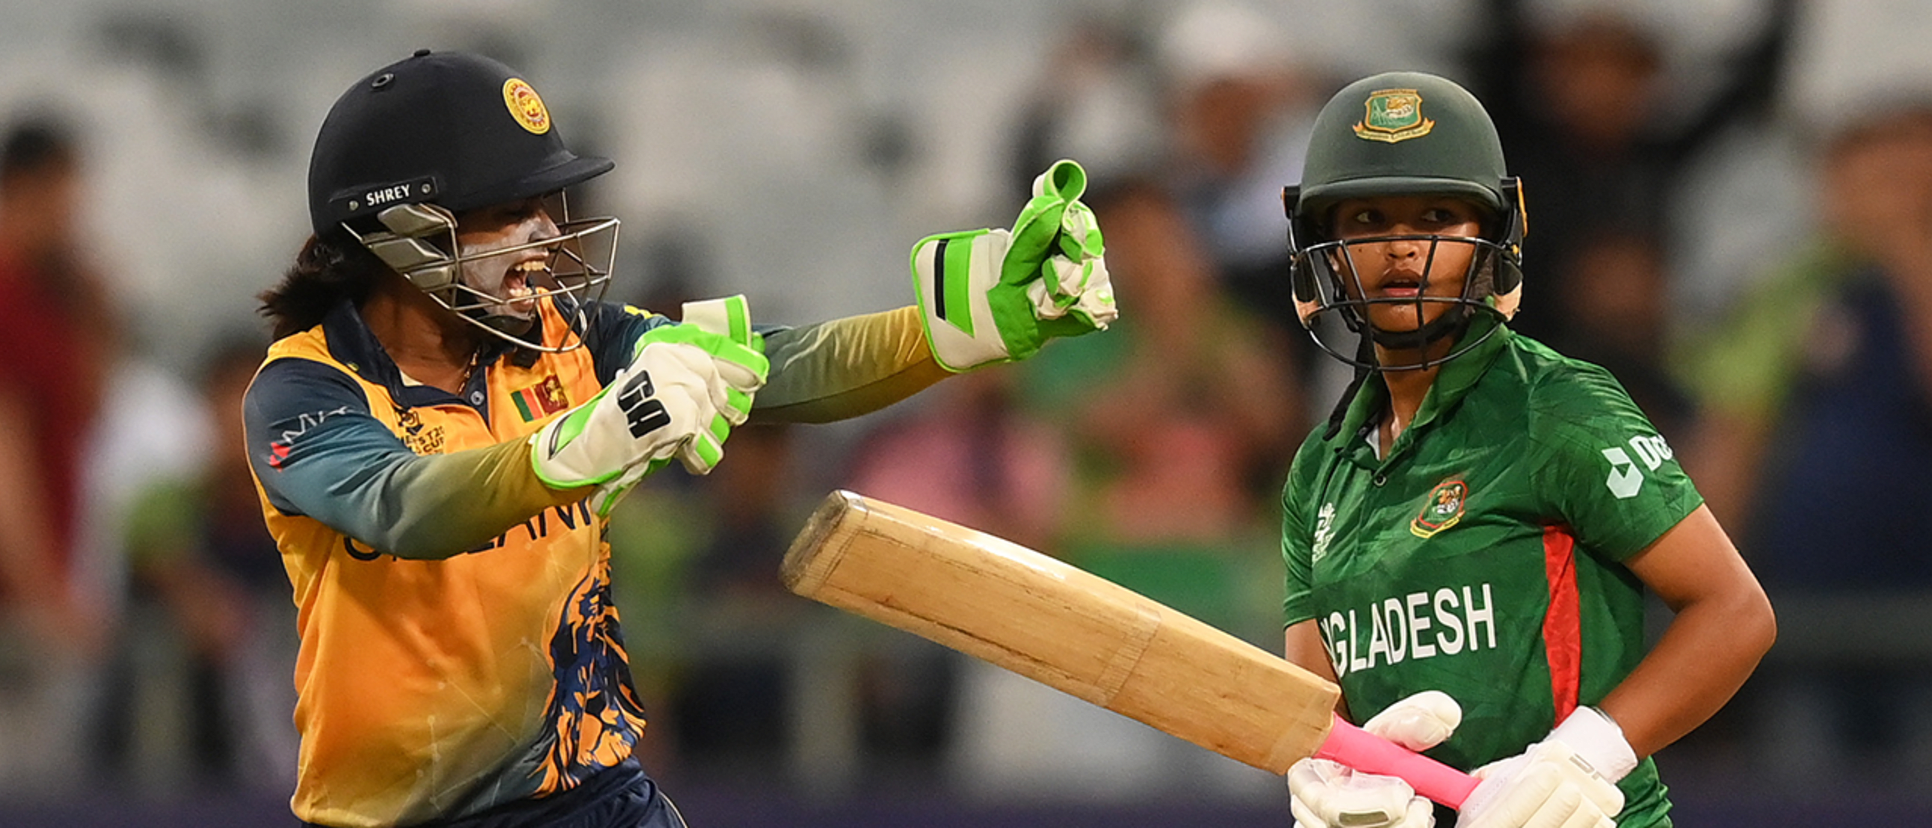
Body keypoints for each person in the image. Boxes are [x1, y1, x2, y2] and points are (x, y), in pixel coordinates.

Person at [245, 50, 1113, 828]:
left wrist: (960, 329)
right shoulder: (302, 389)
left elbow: (771, 370)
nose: (545, 234)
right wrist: (583, 444)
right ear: (403, 233)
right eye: (505, 211)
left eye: (546, 205)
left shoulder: (566, 337)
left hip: (593, 793)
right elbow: (406, 509)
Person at [1272, 72, 1774, 828]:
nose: (1403, 249)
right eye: (1369, 219)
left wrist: (1583, 757)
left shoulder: (1556, 406)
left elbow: (1736, 612)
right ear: (1327, 251)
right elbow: (1317, 704)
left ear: (1492, 236)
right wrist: (1329, 777)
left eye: (1438, 215)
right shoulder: (1321, 468)